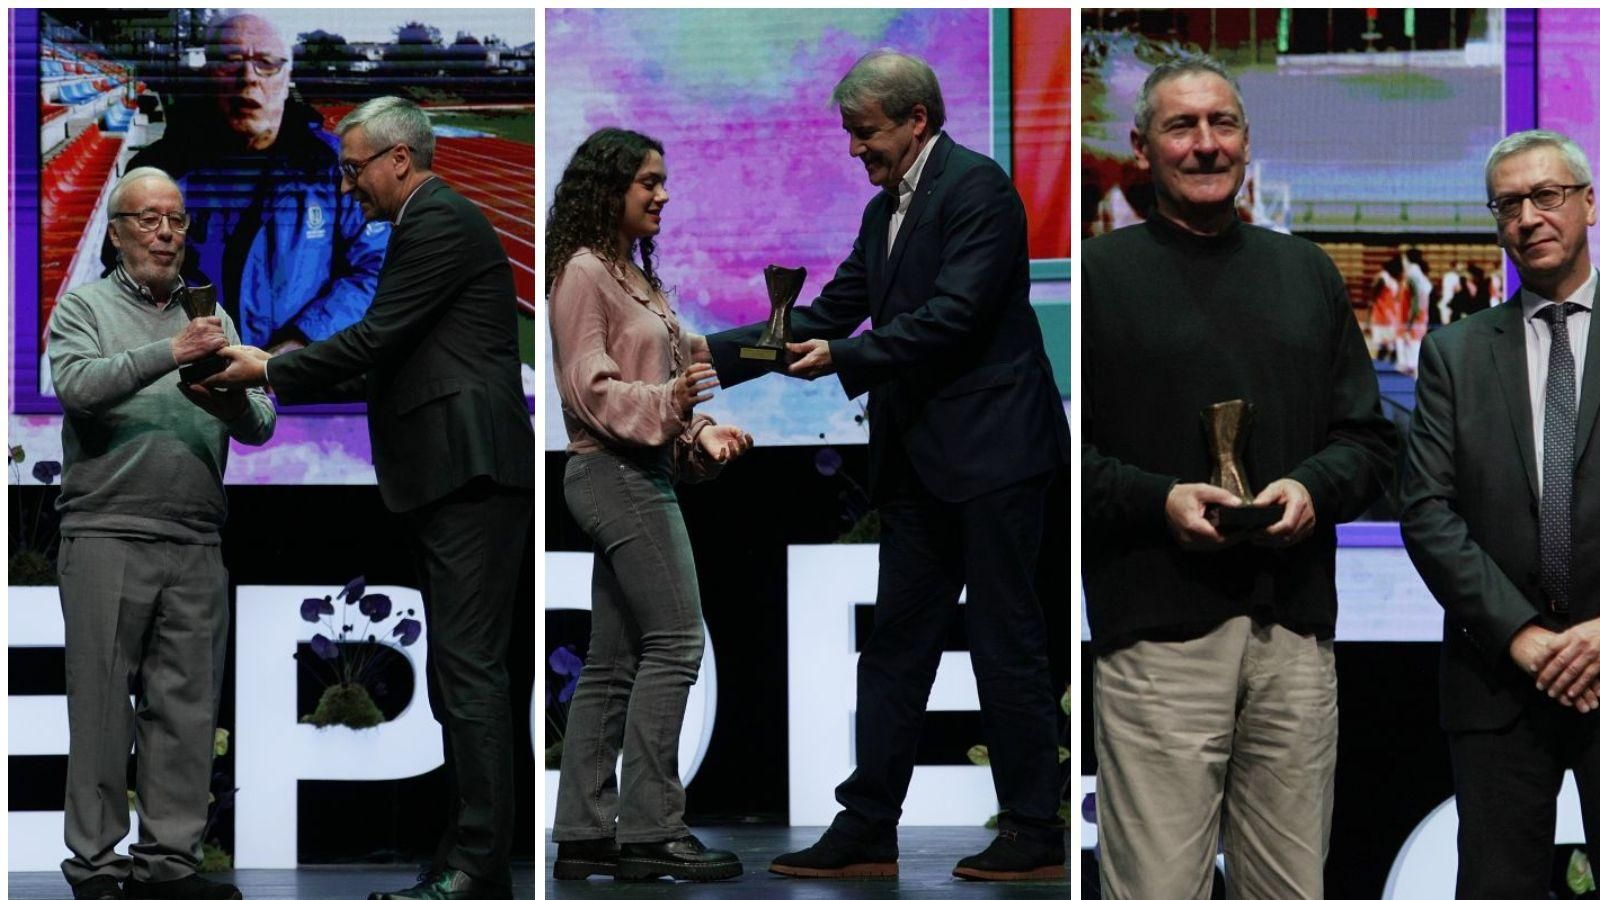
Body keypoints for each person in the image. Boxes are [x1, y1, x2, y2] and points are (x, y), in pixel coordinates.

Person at [706, 49, 1070, 881]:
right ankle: (868, 824)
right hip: (918, 465)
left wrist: (843, 356)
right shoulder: (886, 211)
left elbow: (953, 318)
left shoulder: (977, 188)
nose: (852, 151)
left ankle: (1030, 830)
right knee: (896, 648)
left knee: (1003, 641)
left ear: (916, 121)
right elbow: (834, 310)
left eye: (863, 133)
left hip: (995, 455)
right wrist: (708, 355)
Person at [203, 96, 535, 900]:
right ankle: (467, 858)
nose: (348, 187)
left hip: (467, 472)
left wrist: (267, 368)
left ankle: (477, 864)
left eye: (355, 170)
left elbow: (376, 336)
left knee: (470, 675)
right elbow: (386, 353)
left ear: (398, 159)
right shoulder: (429, 222)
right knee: (465, 676)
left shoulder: (437, 220)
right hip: (453, 473)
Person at [1081, 56, 1395, 899]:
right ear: (1142, 146)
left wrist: (1310, 490)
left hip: (1293, 638)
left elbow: (1367, 441)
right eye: (1183, 127)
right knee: (1155, 889)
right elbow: (1055, 463)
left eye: (1222, 124)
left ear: (1248, 142)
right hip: (1157, 639)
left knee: (1292, 889)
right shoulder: (1095, 281)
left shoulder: (1308, 274)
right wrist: (1161, 501)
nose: (1206, 144)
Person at [49, 167, 275, 900]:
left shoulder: (214, 319)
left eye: (176, 220)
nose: (166, 233)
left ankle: (169, 865)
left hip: (196, 538)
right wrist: (171, 355)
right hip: (107, 532)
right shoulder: (82, 309)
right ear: (115, 234)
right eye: (148, 220)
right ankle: (95, 867)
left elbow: (262, 423)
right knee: (101, 710)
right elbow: (78, 386)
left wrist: (226, 398)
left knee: (186, 711)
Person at [545, 128, 753, 884]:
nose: (662, 194)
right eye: (648, 182)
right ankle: (652, 829)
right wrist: (674, 404)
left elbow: (672, 394)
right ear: (610, 190)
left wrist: (705, 432)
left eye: (662, 181)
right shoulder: (582, 275)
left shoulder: (640, 281)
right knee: (676, 644)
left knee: (615, 659)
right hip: (614, 477)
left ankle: (584, 831)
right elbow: (592, 390)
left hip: (640, 472)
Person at [1401, 129, 1600, 898]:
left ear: (1587, 204)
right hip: (1498, 683)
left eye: (1547, 195)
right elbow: (1426, 511)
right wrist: (1523, 637)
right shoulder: (1453, 353)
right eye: (1508, 203)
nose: (1529, 216)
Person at [105, 13, 388, 352]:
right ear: (209, 72)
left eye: (266, 64)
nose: (248, 79)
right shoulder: (156, 171)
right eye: (230, 62)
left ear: (287, 79)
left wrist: (299, 344)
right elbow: (124, 277)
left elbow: (375, 269)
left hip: (300, 380)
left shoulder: (337, 168)